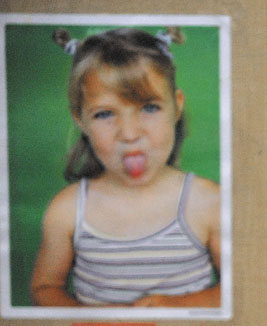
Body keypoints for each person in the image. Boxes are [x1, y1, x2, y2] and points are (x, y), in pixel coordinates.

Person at [30, 27, 221, 307]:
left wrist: (175, 306)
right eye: (105, 114)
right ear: (80, 119)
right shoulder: (67, 210)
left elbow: (244, 289)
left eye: (149, 108)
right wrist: (96, 323)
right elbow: (45, 288)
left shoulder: (208, 202)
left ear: (176, 106)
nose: (129, 134)